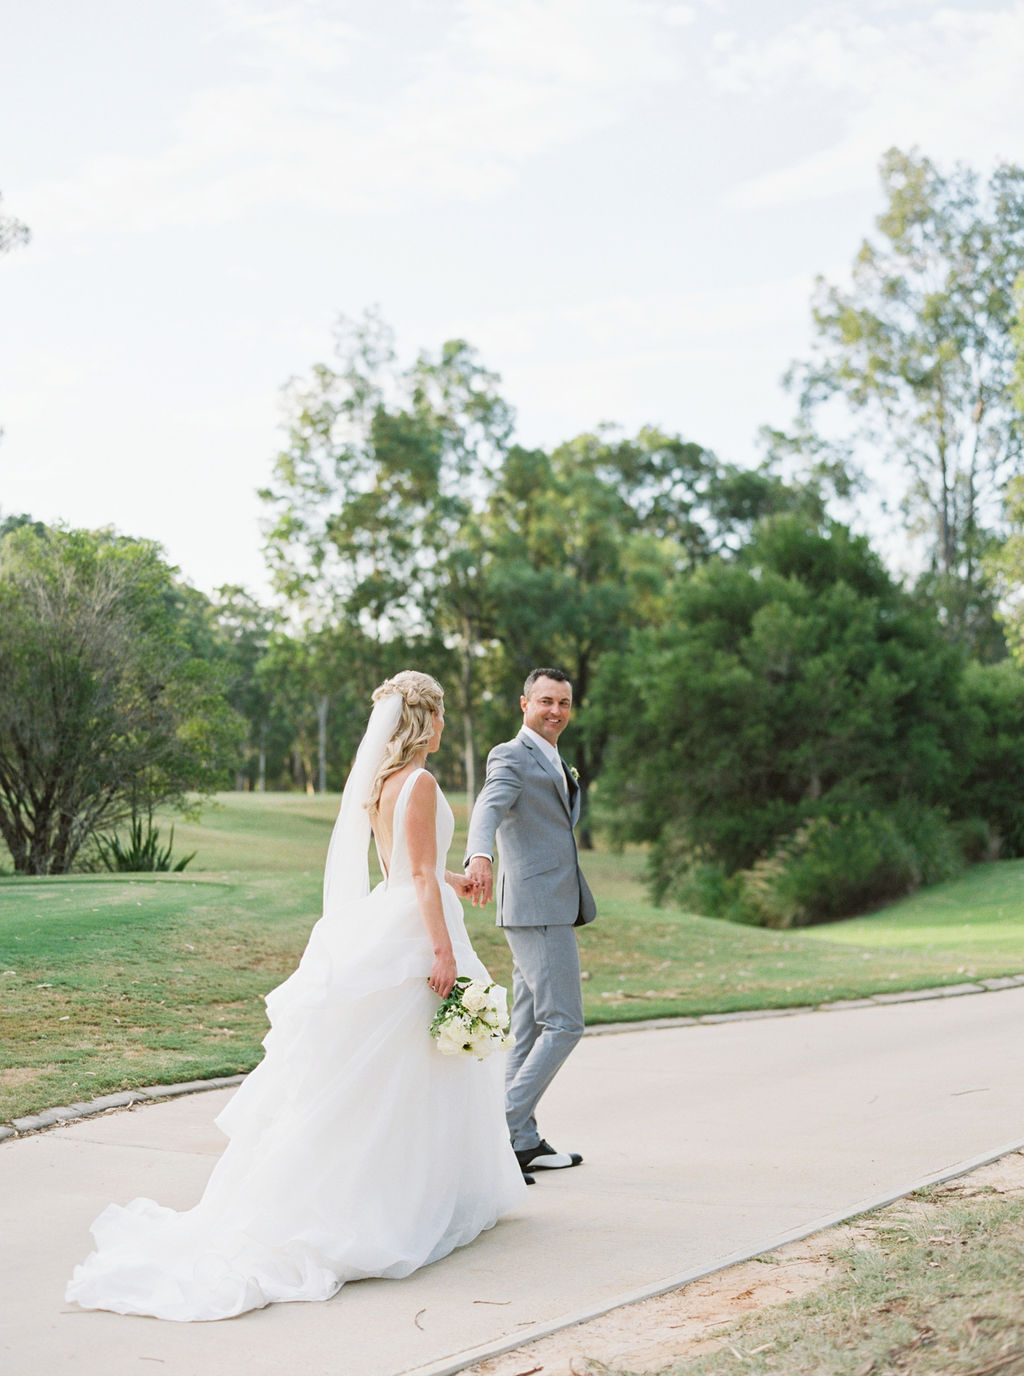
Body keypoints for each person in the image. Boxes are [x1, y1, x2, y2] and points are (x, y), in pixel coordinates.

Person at [66, 671, 527, 1322]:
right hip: (414, 933)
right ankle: (395, 1203)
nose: (445, 726)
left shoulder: (380, 785)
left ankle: (410, 1190)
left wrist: (453, 880)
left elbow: (408, 867)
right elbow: (418, 875)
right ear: (430, 722)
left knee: (389, 1074)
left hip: (388, 917)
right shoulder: (420, 782)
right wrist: (444, 950)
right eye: (443, 715)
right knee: (410, 1071)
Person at [465, 667, 596, 1180]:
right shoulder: (511, 755)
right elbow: (487, 808)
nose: (556, 711)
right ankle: (499, 1133)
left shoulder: (555, 757)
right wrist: (479, 855)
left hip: (549, 904)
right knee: (565, 1022)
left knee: (526, 1024)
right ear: (524, 704)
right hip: (536, 907)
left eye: (563, 702)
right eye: (546, 701)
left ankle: (521, 1142)